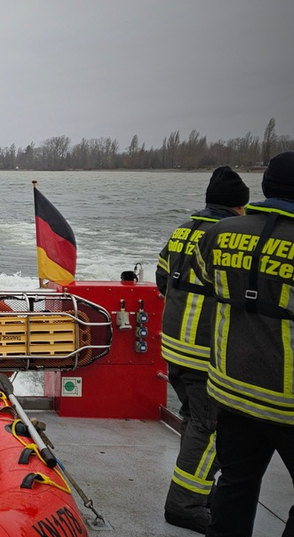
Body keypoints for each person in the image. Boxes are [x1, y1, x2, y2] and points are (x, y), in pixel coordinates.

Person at [192, 152, 294, 537]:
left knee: (236, 482)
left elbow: (205, 280)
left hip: (230, 388)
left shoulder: (219, 233)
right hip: (287, 399)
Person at [157, 166, 250, 533]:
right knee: (209, 427)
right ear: (238, 207)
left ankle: (193, 486)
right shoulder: (227, 236)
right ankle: (186, 503)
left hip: (174, 346)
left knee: (194, 419)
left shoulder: (182, 231)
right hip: (204, 350)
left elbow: (163, 277)